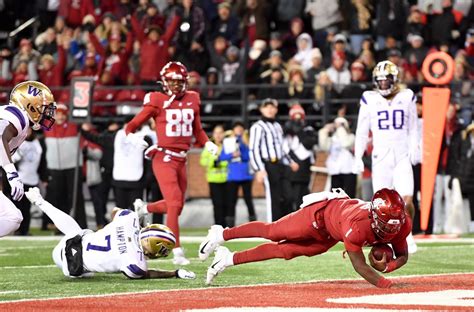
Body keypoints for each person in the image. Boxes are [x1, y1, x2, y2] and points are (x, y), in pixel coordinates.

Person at [199, 188, 410, 288]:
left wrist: (388, 267)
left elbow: (403, 255)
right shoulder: (356, 226)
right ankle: (221, 233)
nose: (391, 230)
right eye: (386, 223)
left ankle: (228, 259)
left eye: (395, 223)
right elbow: (360, 266)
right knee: (273, 232)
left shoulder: (400, 223)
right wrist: (386, 283)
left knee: (286, 252)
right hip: (319, 215)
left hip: (331, 234)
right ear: (373, 216)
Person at [127, 61, 218, 265]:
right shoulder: (157, 99)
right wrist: (131, 136)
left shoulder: (193, 98)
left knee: (177, 206)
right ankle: (177, 251)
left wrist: (208, 143)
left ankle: (145, 209)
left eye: (179, 82)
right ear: (164, 82)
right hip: (164, 157)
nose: (176, 85)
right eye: (171, 81)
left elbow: (197, 130)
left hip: (182, 158)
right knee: (175, 203)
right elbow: (131, 125)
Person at [24, 187, 195, 280]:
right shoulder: (135, 264)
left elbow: (115, 212)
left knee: (80, 232)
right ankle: (40, 202)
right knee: (88, 256)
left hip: (71, 243)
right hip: (72, 267)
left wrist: (132, 219)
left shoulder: (129, 220)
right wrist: (174, 273)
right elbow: (147, 274)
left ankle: (40, 202)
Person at [353, 60, 419, 254]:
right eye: (379, 80)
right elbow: (362, 131)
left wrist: (415, 146)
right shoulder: (368, 98)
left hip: (402, 154)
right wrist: (358, 155)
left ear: (395, 79)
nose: (383, 84)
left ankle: (408, 235)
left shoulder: (407, 96)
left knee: (406, 199)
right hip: (380, 156)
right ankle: (385, 239)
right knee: (381, 204)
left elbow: (413, 126)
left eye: (386, 80)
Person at [0, 81, 56, 237]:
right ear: (31, 106)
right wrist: (12, 174)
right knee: (13, 217)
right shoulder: (18, 116)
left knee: (14, 217)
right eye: (44, 109)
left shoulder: (21, 123)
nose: (48, 113)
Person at [249, 98, 299, 222]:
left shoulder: (277, 126)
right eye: (267, 107)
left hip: (281, 164)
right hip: (268, 164)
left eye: (272, 107)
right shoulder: (257, 126)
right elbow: (254, 149)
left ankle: (287, 226)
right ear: (261, 109)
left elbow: (282, 147)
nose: (270, 110)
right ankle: (273, 228)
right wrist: (259, 169)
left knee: (288, 196)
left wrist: (290, 161)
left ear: (276, 110)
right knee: (273, 197)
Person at [200, 125, 228, 227]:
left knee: (227, 203)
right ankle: (218, 226)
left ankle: (227, 226)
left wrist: (221, 162)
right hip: (213, 180)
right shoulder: (209, 147)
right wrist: (213, 161)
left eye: (220, 132)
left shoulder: (227, 145)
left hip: (227, 179)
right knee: (217, 204)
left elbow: (231, 160)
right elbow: (203, 161)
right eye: (216, 133)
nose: (218, 135)